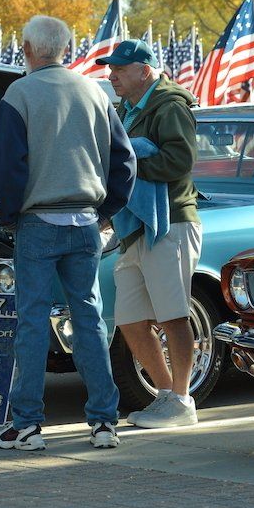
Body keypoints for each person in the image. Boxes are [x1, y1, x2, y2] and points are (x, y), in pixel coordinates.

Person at [0, 15, 136, 451]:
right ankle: (104, 421)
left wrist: (7, 214)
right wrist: (105, 210)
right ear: (65, 49)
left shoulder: (19, 93)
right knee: (89, 319)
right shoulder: (95, 91)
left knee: (32, 322)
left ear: (28, 50)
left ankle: (28, 424)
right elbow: (124, 161)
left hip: (38, 221)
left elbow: (9, 168)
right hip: (86, 220)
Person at [102, 39, 201, 428]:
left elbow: (180, 161)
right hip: (137, 227)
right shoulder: (126, 109)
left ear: (144, 71)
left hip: (171, 221)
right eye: (111, 69)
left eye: (119, 69)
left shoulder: (170, 105)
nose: (112, 76)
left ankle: (182, 400)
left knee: (174, 315)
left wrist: (126, 167)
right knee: (129, 318)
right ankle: (166, 396)